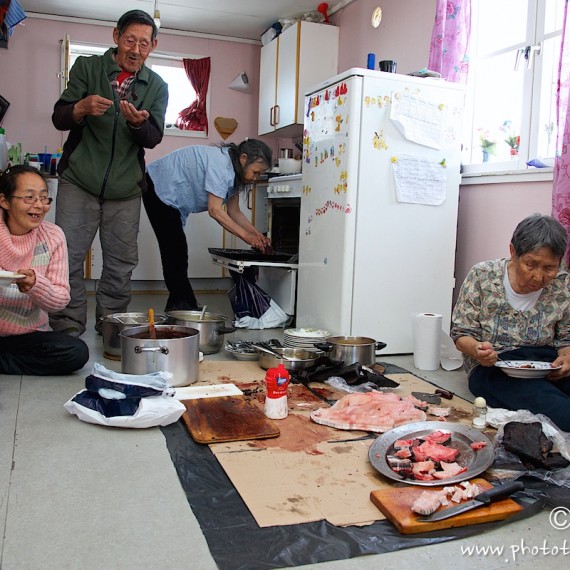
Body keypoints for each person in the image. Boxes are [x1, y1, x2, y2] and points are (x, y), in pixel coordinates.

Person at [49, 10, 169, 337]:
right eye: (130, 40)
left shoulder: (157, 86)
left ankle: (113, 331)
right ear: (116, 37)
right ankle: (67, 330)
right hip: (79, 181)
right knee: (68, 260)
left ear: (153, 46)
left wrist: (138, 123)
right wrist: (81, 108)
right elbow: (60, 117)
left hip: (126, 190)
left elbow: (153, 137)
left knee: (119, 266)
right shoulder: (88, 67)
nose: (136, 49)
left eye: (144, 43)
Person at [451, 213, 570, 431]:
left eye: (549, 268)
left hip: (545, 361)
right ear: (513, 252)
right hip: (493, 365)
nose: (538, 277)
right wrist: (478, 350)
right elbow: (461, 333)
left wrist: (566, 358)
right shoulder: (483, 276)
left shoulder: (563, 284)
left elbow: (565, 338)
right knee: (554, 406)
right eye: (530, 264)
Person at [143, 139, 272, 312]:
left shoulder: (236, 172)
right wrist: (249, 238)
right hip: (158, 185)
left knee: (176, 250)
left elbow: (235, 212)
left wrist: (257, 236)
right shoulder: (222, 166)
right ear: (243, 158)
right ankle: (183, 306)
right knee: (175, 250)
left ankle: (179, 305)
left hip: (170, 194)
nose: (255, 178)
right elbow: (215, 210)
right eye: (256, 172)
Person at [0, 166, 89, 375]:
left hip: (28, 336)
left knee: (76, 352)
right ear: (4, 201)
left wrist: (36, 285)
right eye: (29, 198)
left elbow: (60, 300)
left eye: (44, 198)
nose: (39, 205)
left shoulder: (53, 236)